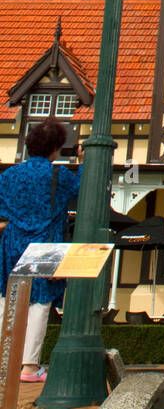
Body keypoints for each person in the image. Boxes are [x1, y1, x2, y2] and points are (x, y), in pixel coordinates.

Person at [0, 119, 81, 382]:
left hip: (12, 240)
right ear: (55, 148)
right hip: (45, 243)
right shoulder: (58, 175)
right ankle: (29, 367)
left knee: (7, 299)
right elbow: (83, 188)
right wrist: (84, 161)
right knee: (40, 303)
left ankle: (4, 361)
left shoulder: (9, 175)